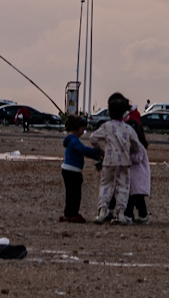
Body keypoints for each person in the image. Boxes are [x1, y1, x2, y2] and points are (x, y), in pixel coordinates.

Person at [86, 92, 140, 223]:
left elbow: (93, 137)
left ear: (109, 113)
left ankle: (103, 210)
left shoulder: (106, 126)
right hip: (125, 162)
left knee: (106, 185)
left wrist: (99, 148)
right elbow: (136, 145)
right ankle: (120, 213)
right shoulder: (128, 129)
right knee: (123, 187)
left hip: (109, 161)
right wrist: (130, 150)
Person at [59, 114, 102, 222]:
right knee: (75, 193)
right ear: (77, 128)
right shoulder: (74, 141)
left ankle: (67, 213)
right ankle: (73, 214)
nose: (83, 132)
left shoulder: (69, 140)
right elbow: (83, 150)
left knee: (69, 193)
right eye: (83, 130)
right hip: (73, 171)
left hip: (66, 169)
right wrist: (97, 153)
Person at [124, 106, 152, 223]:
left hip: (138, 176)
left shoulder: (139, 146)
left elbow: (137, 158)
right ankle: (142, 215)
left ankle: (129, 215)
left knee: (133, 197)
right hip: (136, 176)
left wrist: (126, 158)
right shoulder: (137, 145)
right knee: (138, 198)